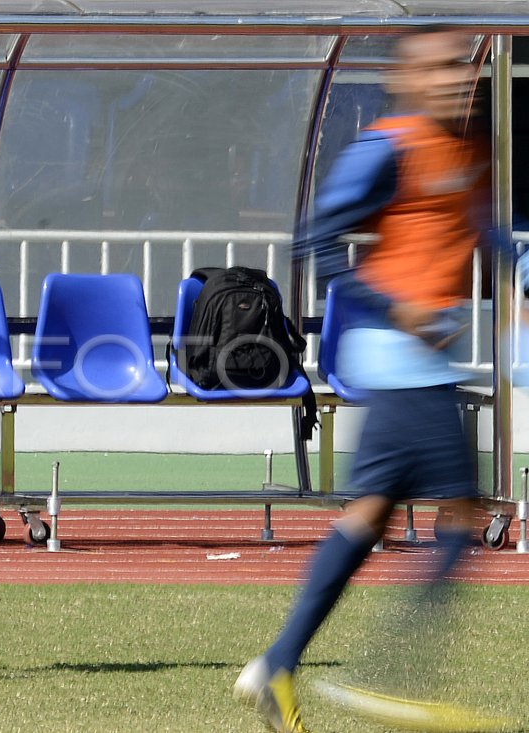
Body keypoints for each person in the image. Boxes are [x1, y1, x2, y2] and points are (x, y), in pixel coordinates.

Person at [233, 27, 490, 733]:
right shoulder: (388, 145)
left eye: (464, 66)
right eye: (440, 67)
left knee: (369, 515)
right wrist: (396, 305)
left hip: (424, 362)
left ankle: (279, 665)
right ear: (407, 80)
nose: (459, 79)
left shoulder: (471, 148)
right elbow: (314, 243)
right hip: (397, 360)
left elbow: (481, 225)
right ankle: (386, 677)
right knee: (464, 515)